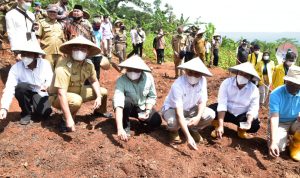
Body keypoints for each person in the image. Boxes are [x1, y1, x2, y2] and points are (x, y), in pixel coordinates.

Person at [49, 36, 110, 132]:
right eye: (76, 48)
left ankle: (99, 111)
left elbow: (94, 81)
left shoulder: (88, 64)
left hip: (78, 91)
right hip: (57, 96)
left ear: (87, 52)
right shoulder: (63, 66)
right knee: (76, 100)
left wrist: (98, 96)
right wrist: (69, 119)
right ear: (71, 50)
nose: (79, 51)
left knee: (103, 92)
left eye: (83, 49)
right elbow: (61, 93)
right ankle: (65, 120)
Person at [161, 57, 215, 150]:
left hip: (191, 109)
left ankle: (192, 128)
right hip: (173, 109)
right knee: (173, 122)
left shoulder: (203, 81)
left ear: (202, 74)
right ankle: (174, 130)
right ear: (185, 71)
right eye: (190, 72)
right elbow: (179, 113)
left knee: (210, 114)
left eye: (197, 73)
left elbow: (202, 101)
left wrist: (198, 117)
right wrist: (188, 137)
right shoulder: (178, 85)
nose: (193, 76)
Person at [0, 41, 52, 125]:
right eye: (23, 54)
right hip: (25, 92)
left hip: (40, 92)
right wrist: (4, 108)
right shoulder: (16, 68)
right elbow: (9, 87)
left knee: (45, 113)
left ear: (35, 55)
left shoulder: (45, 64)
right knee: (21, 87)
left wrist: (46, 85)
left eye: (28, 54)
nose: (25, 57)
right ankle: (26, 113)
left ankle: (33, 107)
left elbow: (50, 78)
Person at [113, 55, 162, 141]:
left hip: (142, 107)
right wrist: (119, 129)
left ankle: (142, 121)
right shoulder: (121, 80)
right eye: (130, 69)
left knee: (156, 120)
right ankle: (125, 126)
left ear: (141, 70)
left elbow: (152, 96)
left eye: (135, 70)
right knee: (126, 101)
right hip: (128, 107)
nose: (132, 72)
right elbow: (118, 103)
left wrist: (147, 110)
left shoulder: (148, 78)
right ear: (126, 69)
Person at [209, 62, 261, 139]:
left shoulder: (254, 89)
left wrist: (248, 122)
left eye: (246, 75)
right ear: (237, 73)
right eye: (241, 73)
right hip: (226, 112)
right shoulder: (227, 83)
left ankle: (241, 131)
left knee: (254, 124)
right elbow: (222, 104)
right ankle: (217, 126)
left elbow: (253, 108)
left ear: (250, 78)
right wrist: (221, 126)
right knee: (210, 111)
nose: (243, 76)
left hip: (241, 115)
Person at [268, 66, 300, 161]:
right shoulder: (276, 94)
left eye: (296, 84)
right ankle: (283, 139)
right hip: (280, 123)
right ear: (286, 81)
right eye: (290, 82)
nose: (292, 85)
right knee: (278, 147)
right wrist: (273, 142)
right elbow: (274, 117)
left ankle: (295, 146)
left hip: (296, 121)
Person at [36, 4, 65, 69]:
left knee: (58, 73)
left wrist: (64, 53)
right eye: (50, 11)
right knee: (47, 73)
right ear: (47, 12)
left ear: (57, 13)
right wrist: (38, 52)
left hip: (60, 54)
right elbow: (38, 38)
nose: (52, 13)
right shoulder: (40, 22)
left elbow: (63, 40)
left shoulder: (60, 25)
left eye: (54, 12)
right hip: (47, 53)